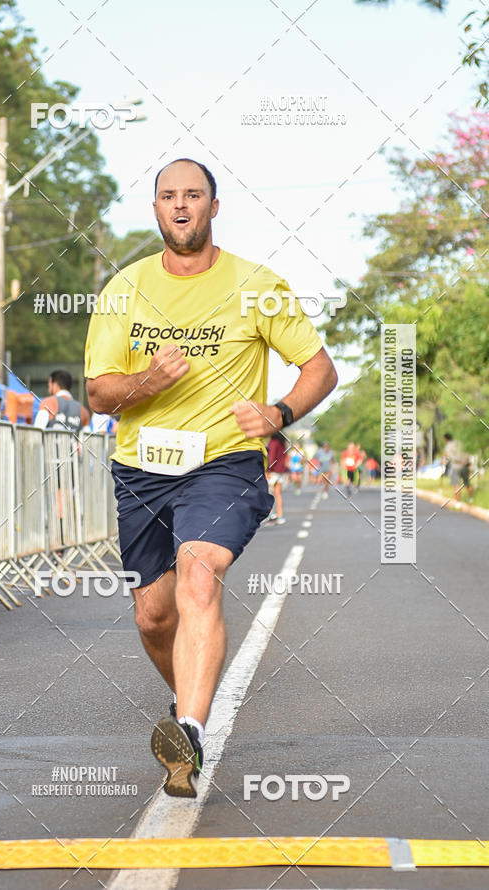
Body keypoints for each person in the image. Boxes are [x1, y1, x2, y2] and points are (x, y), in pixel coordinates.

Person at [85, 158, 337, 797]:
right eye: (168, 196)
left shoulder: (257, 285)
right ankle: (188, 708)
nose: (180, 205)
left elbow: (320, 370)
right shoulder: (125, 288)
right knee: (152, 616)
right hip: (142, 469)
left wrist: (278, 412)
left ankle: (191, 730)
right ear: (155, 209)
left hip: (224, 463)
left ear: (213, 207)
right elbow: (97, 393)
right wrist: (149, 382)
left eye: (192, 195)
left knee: (200, 571)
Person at [443, 433, 473, 504]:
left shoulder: (448, 446)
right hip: (464, 465)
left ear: (445, 439)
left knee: (456, 484)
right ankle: (471, 498)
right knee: (467, 483)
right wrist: (466, 461)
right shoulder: (459, 443)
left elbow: (450, 456)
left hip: (456, 466)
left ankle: (457, 502)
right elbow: (466, 452)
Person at [266, 432, 288, 524]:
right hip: (281, 471)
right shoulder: (282, 443)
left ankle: (271, 514)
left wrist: (267, 469)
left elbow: (271, 457)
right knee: (278, 494)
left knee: (268, 494)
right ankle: (280, 515)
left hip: (273, 471)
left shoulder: (273, 442)